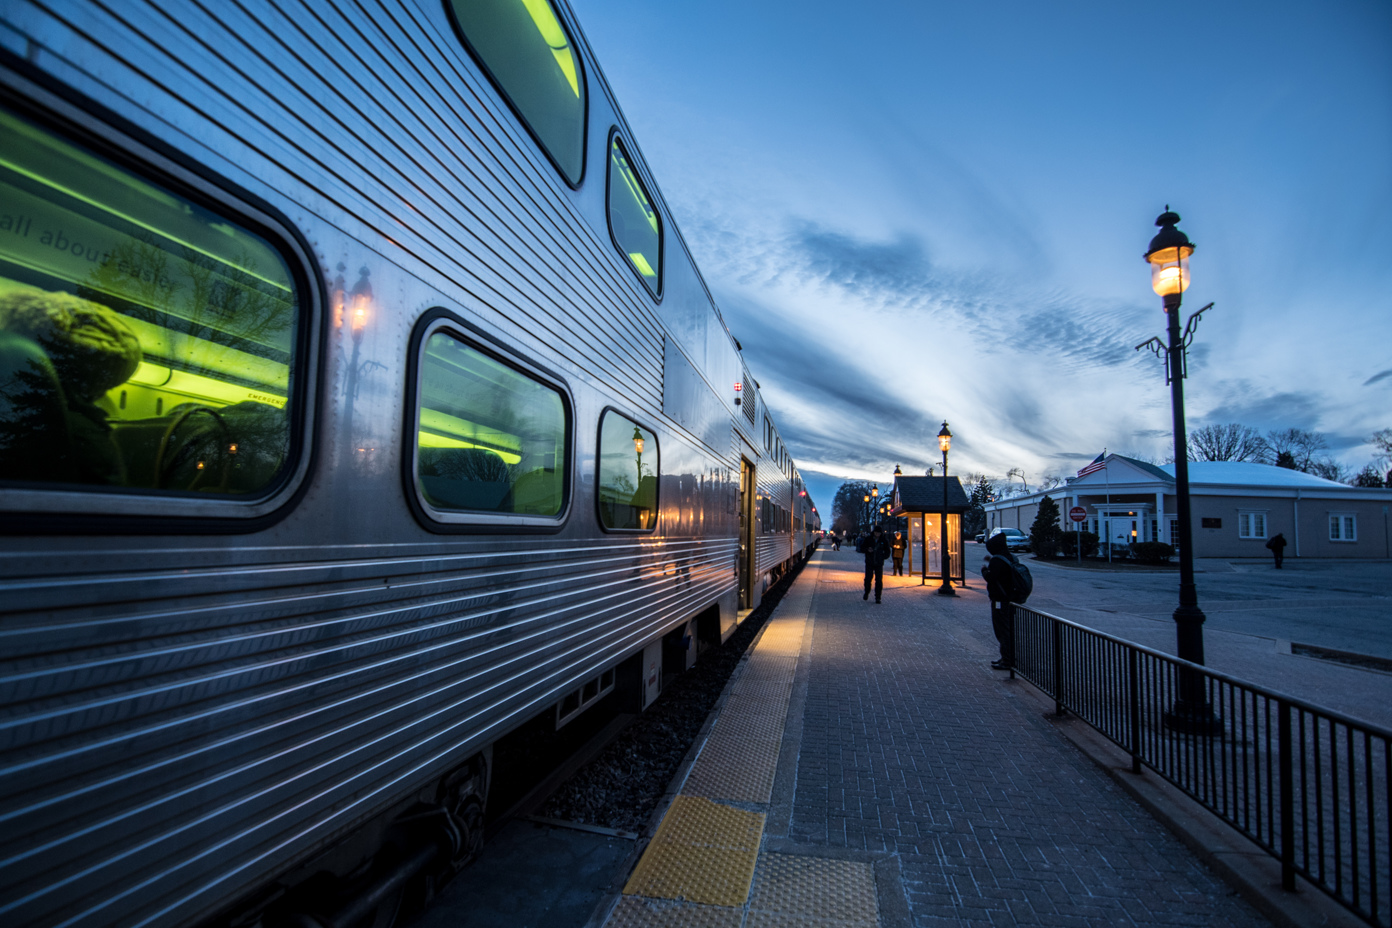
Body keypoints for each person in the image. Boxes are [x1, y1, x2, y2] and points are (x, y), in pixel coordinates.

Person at [981, 532, 1018, 669]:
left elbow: (991, 577)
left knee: (1002, 630)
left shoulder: (998, 561)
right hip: (1009, 598)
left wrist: (984, 570)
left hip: (1000, 600)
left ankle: (1007, 660)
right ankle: (1006, 658)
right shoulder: (1010, 558)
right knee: (1006, 629)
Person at [862, 523, 891, 602]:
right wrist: (867, 550)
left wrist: (883, 557)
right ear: (874, 532)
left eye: (878, 533)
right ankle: (866, 592)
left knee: (878, 581)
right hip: (869, 562)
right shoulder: (868, 539)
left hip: (879, 563)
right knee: (868, 579)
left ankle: (878, 597)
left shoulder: (884, 540)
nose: (877, 534)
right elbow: (862, 548)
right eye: (876, 532)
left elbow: (888, 551)